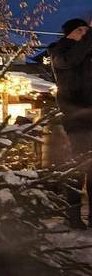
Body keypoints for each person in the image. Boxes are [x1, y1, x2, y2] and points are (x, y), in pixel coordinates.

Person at [50, 17, 92, 229]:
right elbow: (70, 61)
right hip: (76, 120)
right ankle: (73, 217)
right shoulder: (60, 51)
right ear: (71, 33)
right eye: (82, 30)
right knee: (78, 169)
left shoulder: (85, 53)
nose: (85, 33)